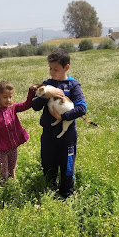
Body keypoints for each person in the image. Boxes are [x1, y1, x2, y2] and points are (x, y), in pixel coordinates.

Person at [32, 48, 87, 198]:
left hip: (67, 136)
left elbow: (82, 108)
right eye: (50, 68)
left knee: (67, 166)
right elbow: (35, 106)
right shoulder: (47, 84)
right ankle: (50, 192)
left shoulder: (73, 86)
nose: (52, 72)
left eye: (55, 69)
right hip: (48, 135)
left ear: (66, 67)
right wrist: (47, 94)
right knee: (48, 164)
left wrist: (63, 117)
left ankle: (66, 195)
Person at [0, 80, 37, 181]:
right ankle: (4, 190)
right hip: (1, 149)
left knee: (12, 170)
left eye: (10, 97)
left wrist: (31, 91)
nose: (8, 100)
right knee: (4, 173)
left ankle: (13, 187)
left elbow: (26, 105)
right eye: (5, 97)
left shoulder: (13, 108)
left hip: (13, 146)